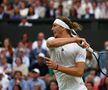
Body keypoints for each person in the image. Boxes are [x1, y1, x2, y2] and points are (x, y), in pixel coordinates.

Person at [44, 16, 90, 90]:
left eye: (54, 26)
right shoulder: (52, 40)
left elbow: (79, 72)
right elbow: (50, 43)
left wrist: (57, 67)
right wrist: (75, 39)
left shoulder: (79, 46)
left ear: (62, 28)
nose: (52, 29)